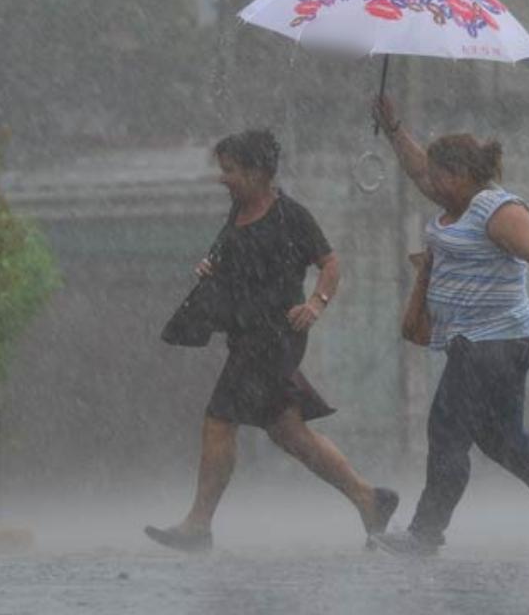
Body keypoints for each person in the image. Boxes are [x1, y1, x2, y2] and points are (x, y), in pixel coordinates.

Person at [369, 96, 529, 561]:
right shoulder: (455, 202)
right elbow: (419, 169)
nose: (430, 183)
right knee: (503, 439)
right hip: (484, 343)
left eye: (439, 176)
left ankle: (424, 534)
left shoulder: (497, 211)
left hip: (494, 343)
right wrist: (395, 128)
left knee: (446, 430)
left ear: (461, 175)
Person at [146, 129, 399, 552]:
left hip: (275, 339)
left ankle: (198, 525)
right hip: (247, 337)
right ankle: (369, 498)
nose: (222, 178)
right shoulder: (237, 211)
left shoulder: (289, 216)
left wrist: (316, 303)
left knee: (219, 419)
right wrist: (212, 268)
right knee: (288, 432)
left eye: (229, 170)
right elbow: (243, 264)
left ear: (258, 171)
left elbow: (331, 263)